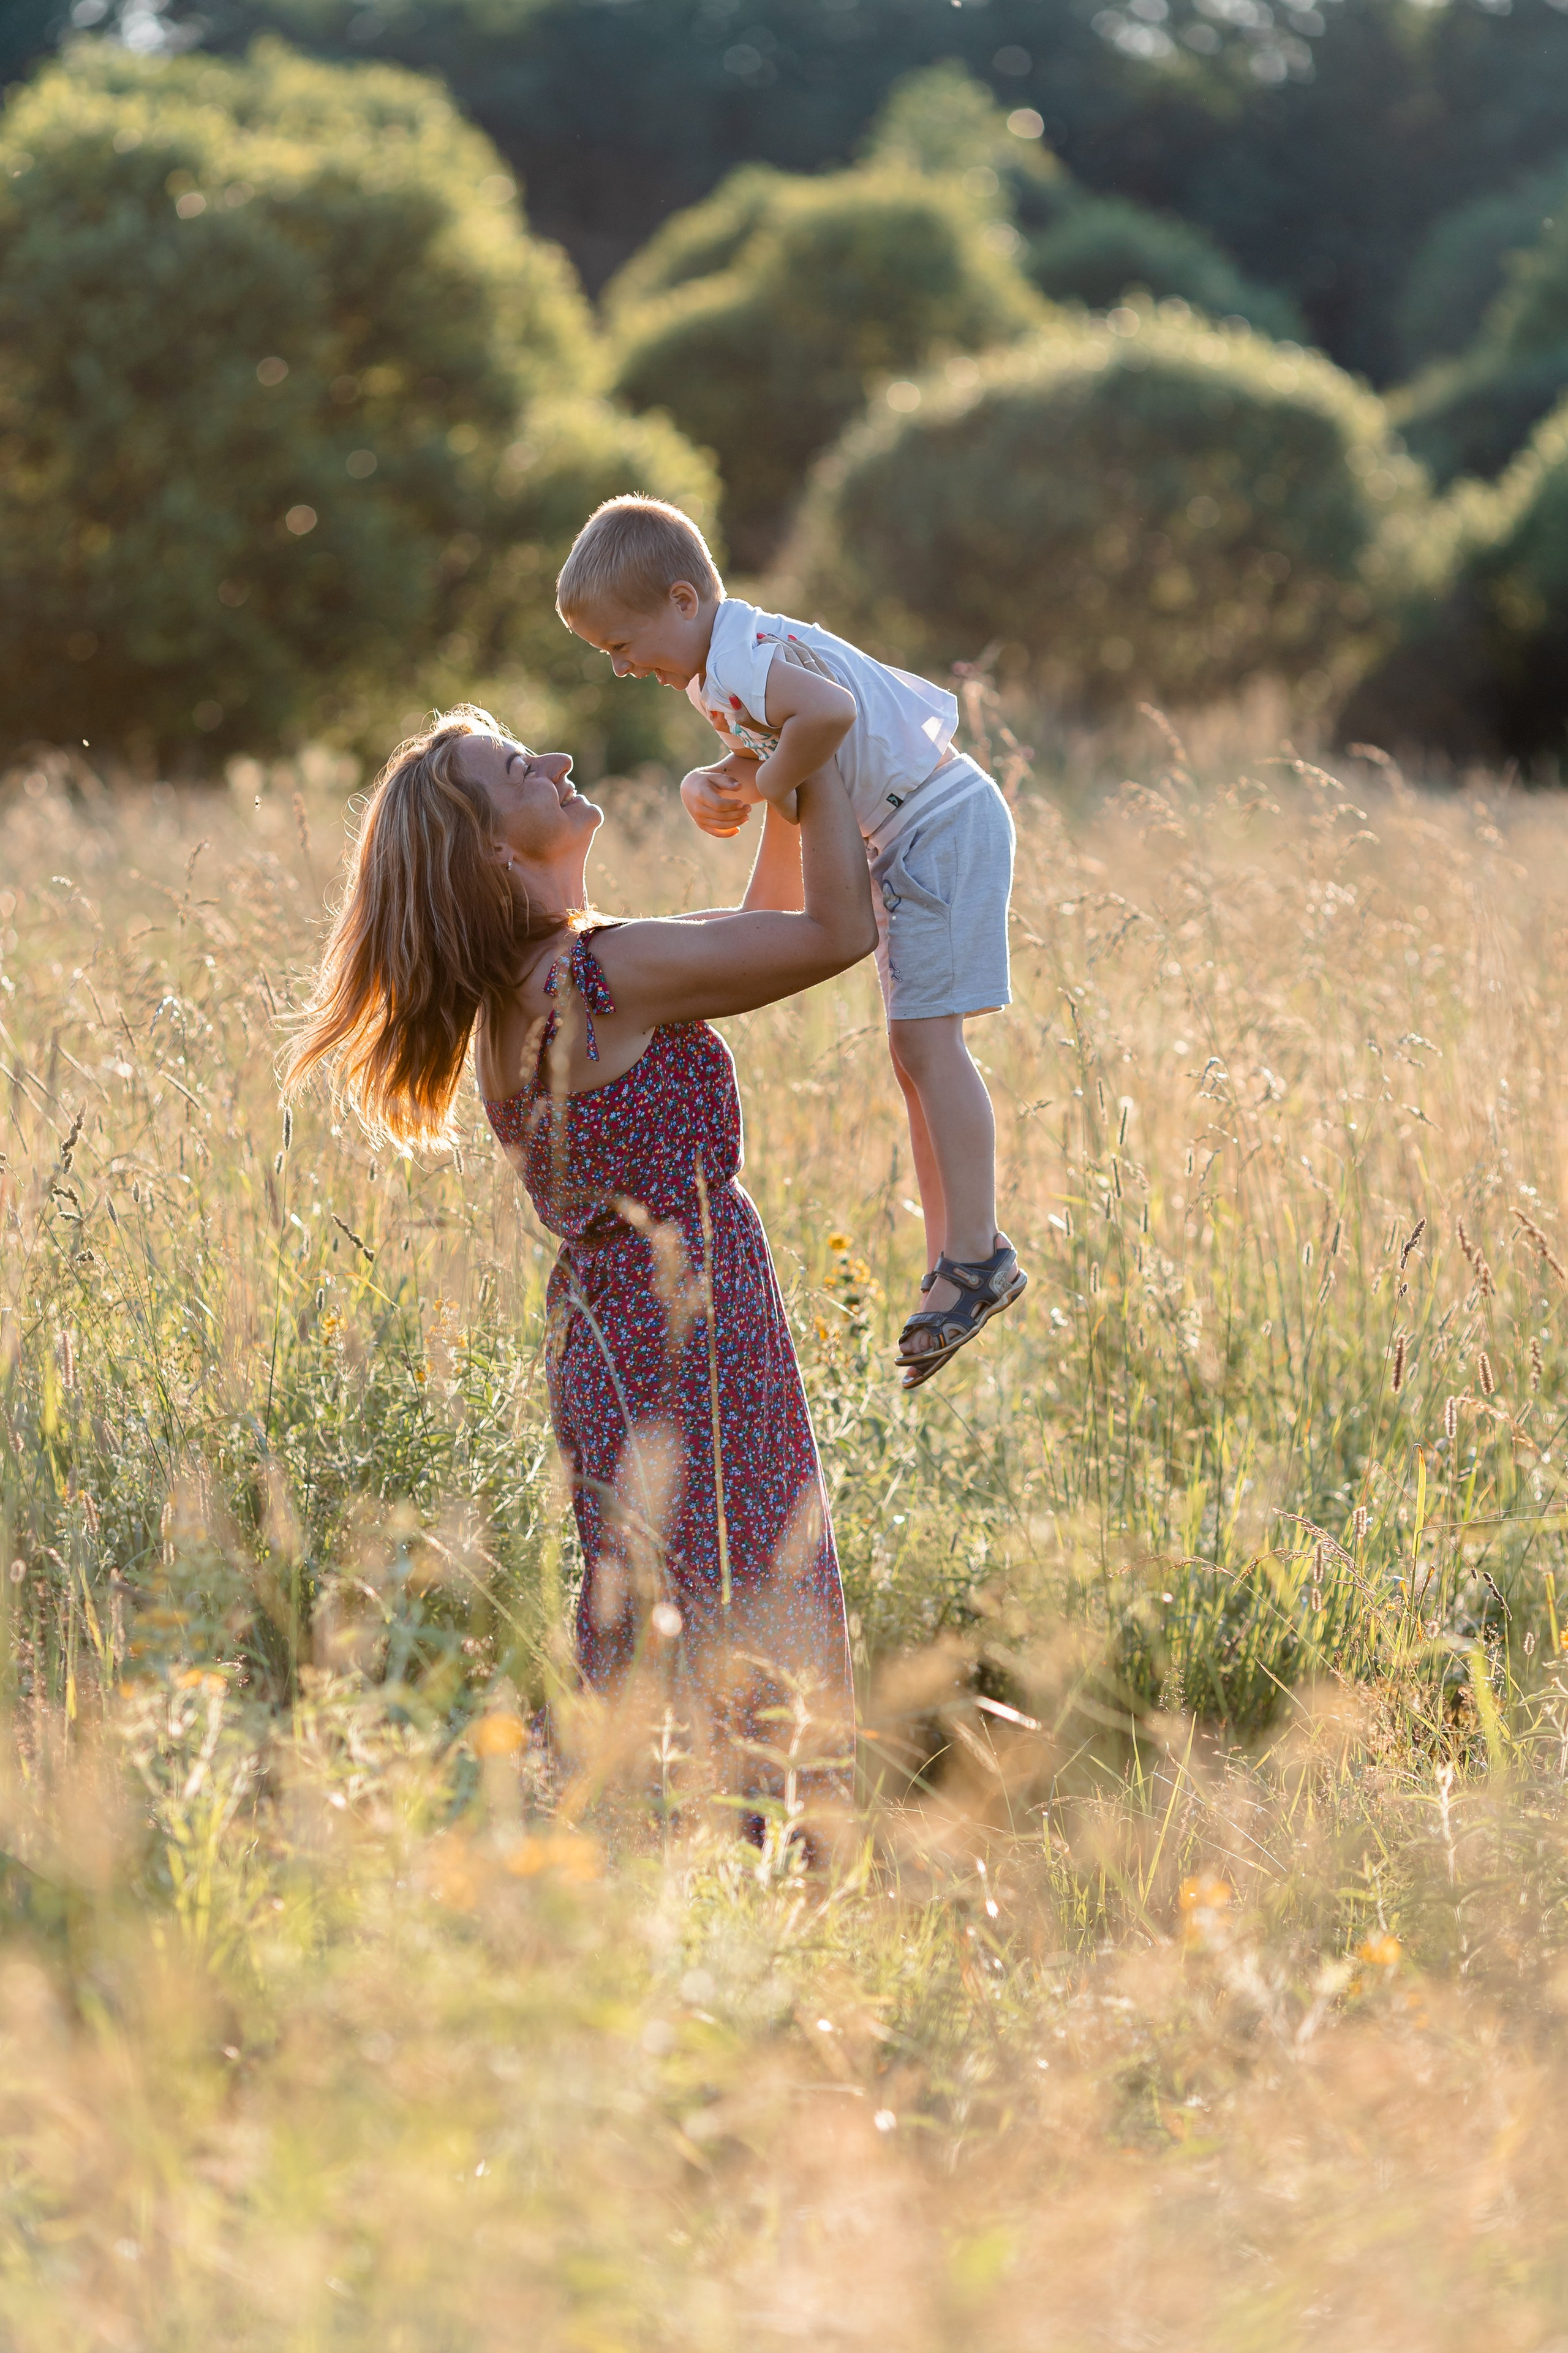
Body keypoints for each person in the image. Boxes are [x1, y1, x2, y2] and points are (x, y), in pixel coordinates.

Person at [283, 706, 875, 1834]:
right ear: (495, 854)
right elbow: (833, 934)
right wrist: (823, 750)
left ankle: (643, 1869)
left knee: (668, 1606)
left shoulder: (534, 993)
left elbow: (761, 926)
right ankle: (768, 1883)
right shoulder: (606, 972)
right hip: (690, 1324)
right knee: (749, 1605)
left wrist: (779, 789)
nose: (554, 758)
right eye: (518, 767)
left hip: (613, 1333)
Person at [556, 494, 1027, 1391]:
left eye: (622, 645)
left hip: (940, 822)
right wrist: (718, 781)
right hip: (909, 833)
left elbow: (830, 715)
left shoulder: (742, 651)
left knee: (932, 1044)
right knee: (910, 1052)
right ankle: (951, 1262)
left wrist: (762, 776)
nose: (620, 668)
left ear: (684, 601)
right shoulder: (715, 676)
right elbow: (783, 754)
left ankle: (978, 1252)